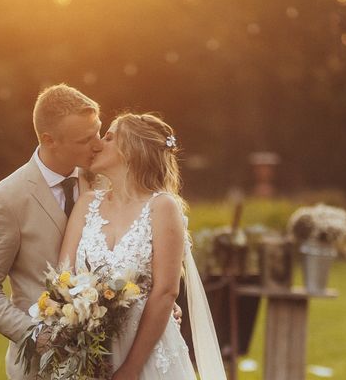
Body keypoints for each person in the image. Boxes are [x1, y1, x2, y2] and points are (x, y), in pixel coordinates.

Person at [60, 113, 226, 380]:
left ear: (133, 149)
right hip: (87, 351)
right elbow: (63, 277)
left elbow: (165, 291)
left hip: (146, 356)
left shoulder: (163, 207)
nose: (99, 143)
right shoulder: (87, 204)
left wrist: (131, 369)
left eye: (110, 136)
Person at [0, 84, 103, 380]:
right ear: (49, 140)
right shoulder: (5, 199)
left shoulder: (107, 182)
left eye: (99, 132)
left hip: (110, 359)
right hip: (42, 368)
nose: (99, 145)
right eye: (85, 139)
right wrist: (34, 334)